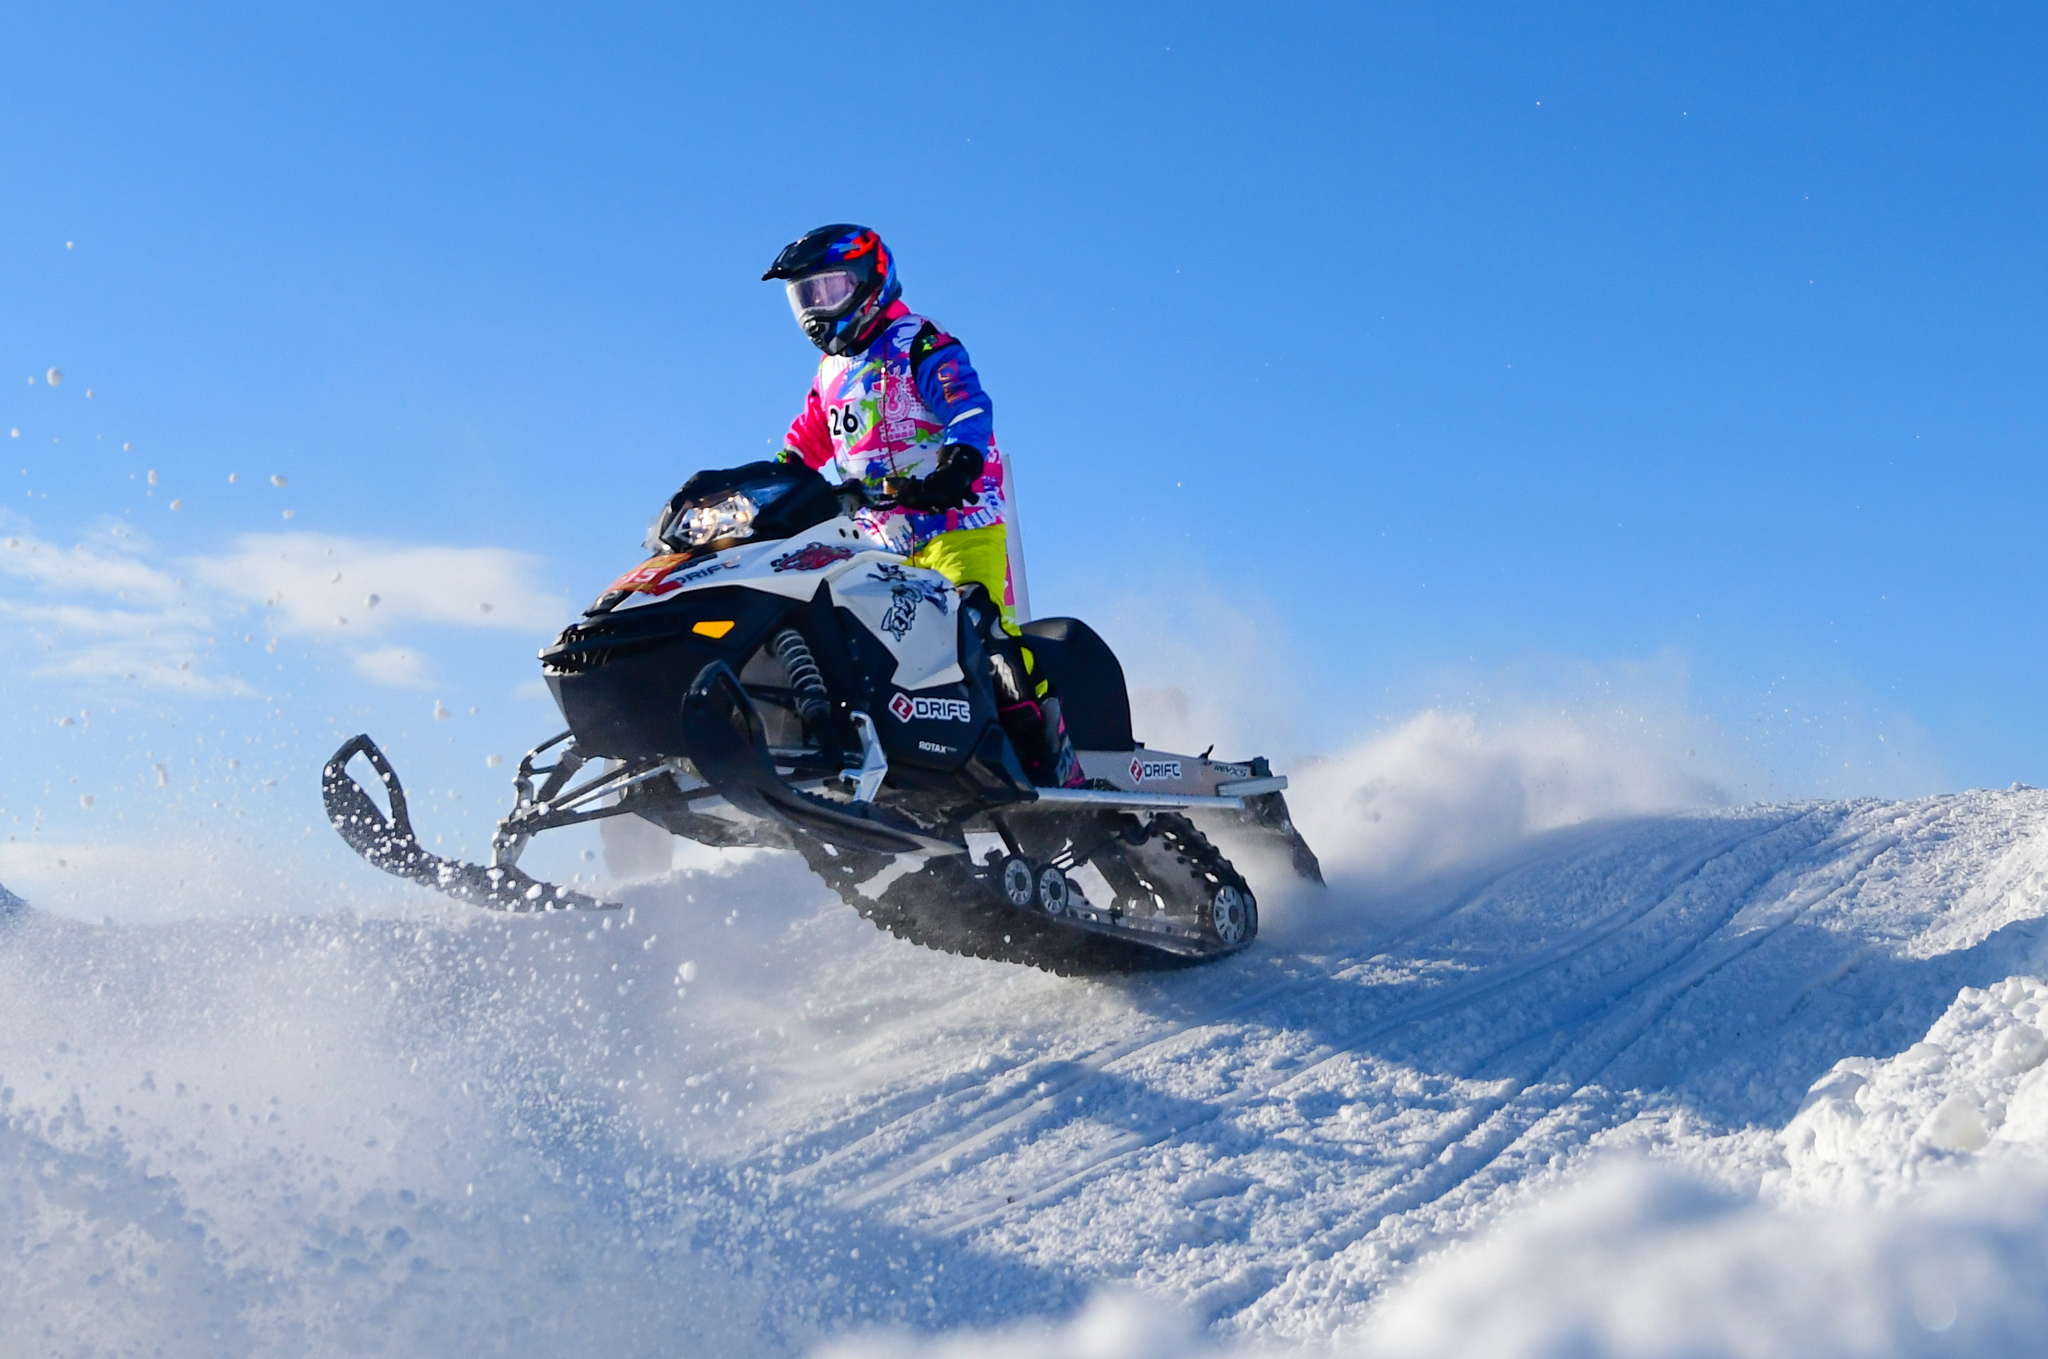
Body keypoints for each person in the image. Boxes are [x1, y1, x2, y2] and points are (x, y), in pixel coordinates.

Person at [763, 223, 1082, 788]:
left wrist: (958, 461)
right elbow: (804, 445)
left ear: (869, 281)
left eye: (827, 290)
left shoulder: (920, 342)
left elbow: (967, 405)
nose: (815, 309)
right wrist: (773, 488)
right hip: (876, 539)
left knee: (977, 625)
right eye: (804, 296)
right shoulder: (830, 376)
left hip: (956, 520)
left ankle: (1049, 757)